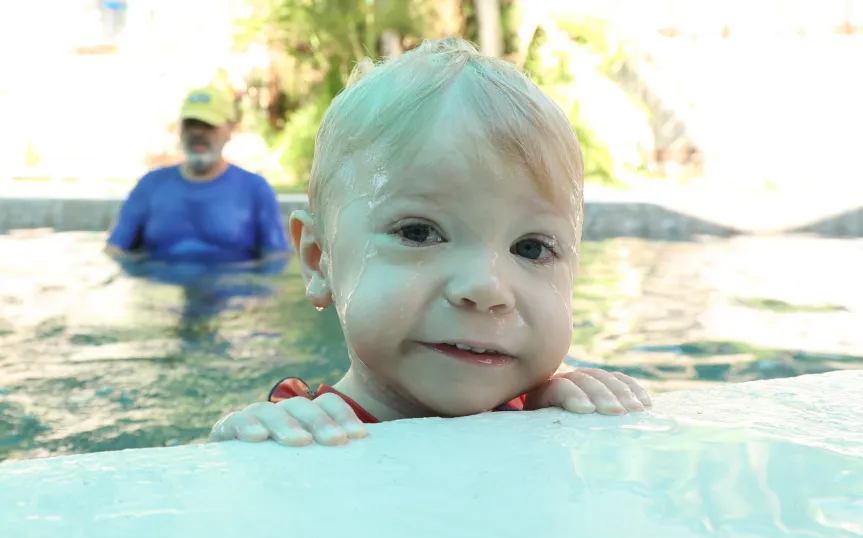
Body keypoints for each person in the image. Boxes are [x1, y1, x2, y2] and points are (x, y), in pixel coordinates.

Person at [209, 38, 651, 448]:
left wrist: (550, 412)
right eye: (418, 233)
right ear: (319, 259)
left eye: (531, 248)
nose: (486, 287)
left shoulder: (543, 413)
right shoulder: (299, 428)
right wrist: (244, 443)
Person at [105, 85, 289, 271]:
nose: (198, 133)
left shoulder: (255, 190)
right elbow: (115, 250)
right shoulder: (150, 186)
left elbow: (276, 258)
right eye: (191, 124)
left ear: (230, 130)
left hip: (231, 295)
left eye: (208, 125)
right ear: (181, 129)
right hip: (161, 293)